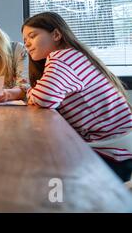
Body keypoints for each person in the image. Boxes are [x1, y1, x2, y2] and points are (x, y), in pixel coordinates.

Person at [22, 11, 132, 182]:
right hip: (121, 149)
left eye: (32, 36)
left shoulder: (61, 58)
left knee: (36, 164)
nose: (27, 44)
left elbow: (45, 98)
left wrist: (27, 92)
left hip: (110, 154)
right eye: (24, 40)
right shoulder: (73, 55)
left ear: (56, 34)